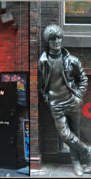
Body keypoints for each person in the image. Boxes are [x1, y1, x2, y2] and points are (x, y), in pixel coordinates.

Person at [38, 24, 91, 176]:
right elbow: (42, 85)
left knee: (75, 133)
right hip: (56, 105)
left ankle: (77, 164)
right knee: (65, 135)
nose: (57, 41)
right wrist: (48, 99)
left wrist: (78, 97)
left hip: (72, 102)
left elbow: (82, 79)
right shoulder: (43, 62)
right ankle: (87, 153)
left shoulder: (72, 60)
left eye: (59, 37)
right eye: (53, 38)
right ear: (48, 41)